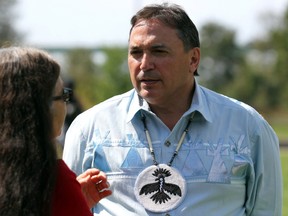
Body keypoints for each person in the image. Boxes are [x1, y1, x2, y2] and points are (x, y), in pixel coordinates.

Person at [63, 3, 282, 215]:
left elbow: (266, 210)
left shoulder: (248, 126)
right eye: (136, 53)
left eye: (158, 51)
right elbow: (66, 210)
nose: (145, 64)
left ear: (193, 59)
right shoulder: (89, 128)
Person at [0, 47, 111, 216]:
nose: (66, 104)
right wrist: (67, 199)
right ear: (44, 107)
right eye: (64, 96)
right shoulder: (53, 181)